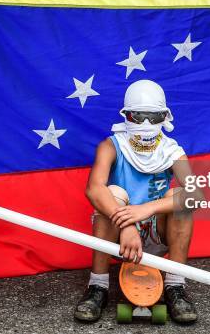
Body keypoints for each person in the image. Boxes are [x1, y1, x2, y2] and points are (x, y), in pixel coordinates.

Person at [74, 79, 201, 323]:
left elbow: (197, 195)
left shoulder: (173, 151)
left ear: (165, 117)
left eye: (153, 117)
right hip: (119, 233)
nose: (145, 124)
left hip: (157, 232)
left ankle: (175, 285)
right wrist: (126, 223)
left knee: (180, 199)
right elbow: (93, 188)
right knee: (112, 193)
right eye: (138, 116)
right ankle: (98, 286)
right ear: (126, 116)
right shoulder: (111, 145)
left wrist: (146, 209)